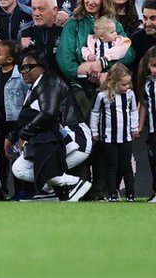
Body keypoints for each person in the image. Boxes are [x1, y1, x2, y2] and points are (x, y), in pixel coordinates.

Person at [8, 49, 93, 202]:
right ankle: (48, 190)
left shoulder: (50, 81)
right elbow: (26, 117)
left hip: (75, 137)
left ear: (42, 67)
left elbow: (48, 114)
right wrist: (12, 136)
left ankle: (75, 183)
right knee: (19, 168)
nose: (23, 71)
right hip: (52, 139)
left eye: (28, 67)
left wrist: (23, 134)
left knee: (44, 168)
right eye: (22, 68)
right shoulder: (35, 87)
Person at [89, 63, 140, 201]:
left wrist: (134, 128)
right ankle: (112, 194)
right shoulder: (102, 96)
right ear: (112, 82)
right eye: (124, 84)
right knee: (111, 167)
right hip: (108, 138)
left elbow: (134, 111)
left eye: (128, 84)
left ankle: (130, 195)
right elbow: (95, 113)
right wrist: (94, 131)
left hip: (126, 137)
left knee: (127, 167)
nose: (127, 87)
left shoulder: (130, 95)